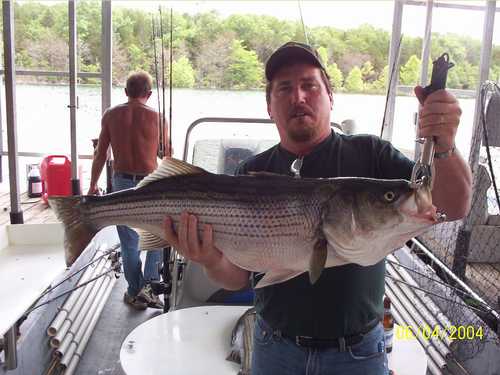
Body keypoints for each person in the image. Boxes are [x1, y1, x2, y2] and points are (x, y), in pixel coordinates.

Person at [163, 42, 472, 374]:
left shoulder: (371, 155)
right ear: (269, 106)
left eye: (310, 85)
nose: (298, 97)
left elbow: (452, 206)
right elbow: (237, 278)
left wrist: (444, 146)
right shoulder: (250, 173)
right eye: (285, 88)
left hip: (358, 353)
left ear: (330, 97)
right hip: (274, 348)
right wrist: (207, 258)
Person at [89, 71, 170, 310]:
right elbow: (166, 154)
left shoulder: (111, 115)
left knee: (129, 241)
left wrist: (93, 184)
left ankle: (135, 291)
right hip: (152, 183)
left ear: (126, 92)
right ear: (149, 93)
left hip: (123, 182)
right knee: (157, 235)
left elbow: (101, 154)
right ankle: (150, 285)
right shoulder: (158, 117)